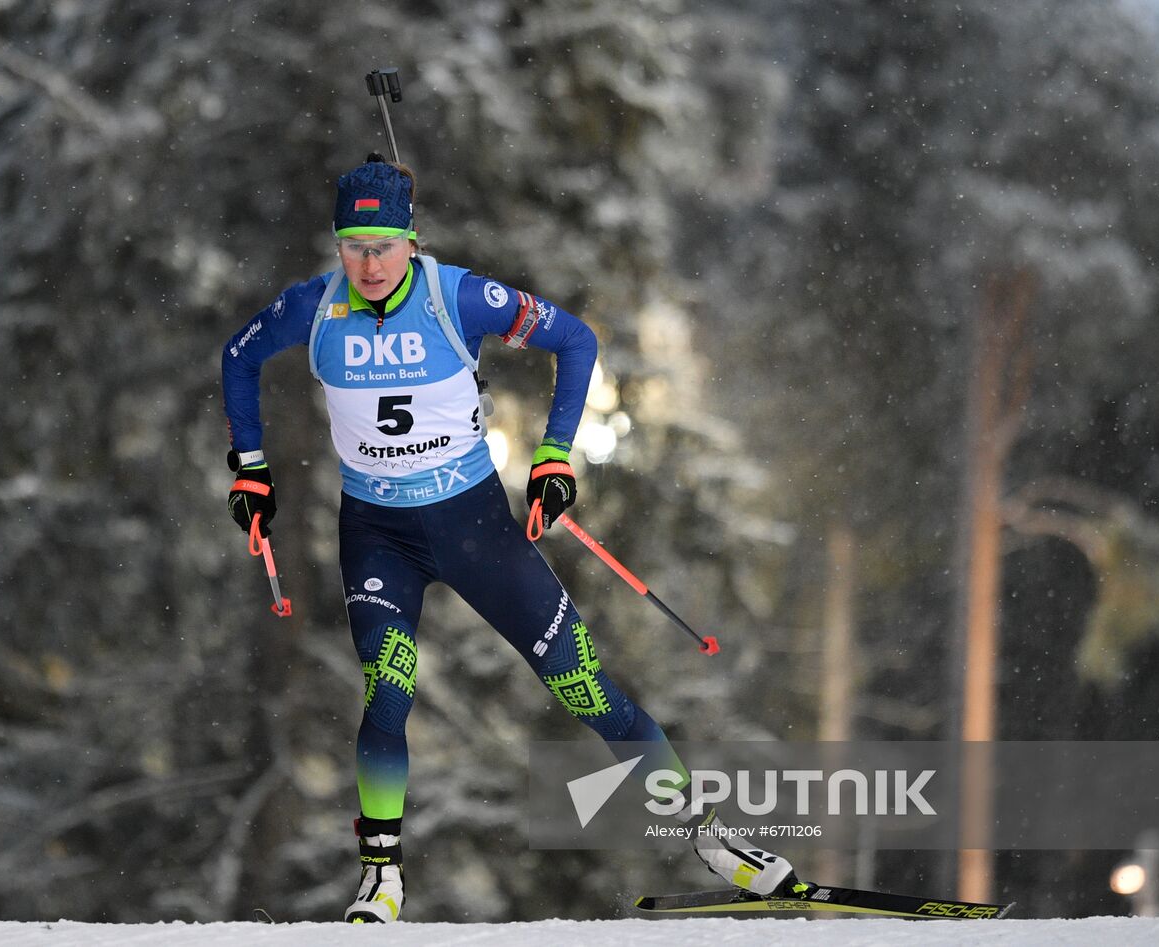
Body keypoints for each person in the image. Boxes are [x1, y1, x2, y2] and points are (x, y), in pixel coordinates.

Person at [220, 156, 803, 922]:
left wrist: (555, 453)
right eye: (354, 244)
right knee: (386, 691)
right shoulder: (312, 308)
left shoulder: (457, 295)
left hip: (475, 527)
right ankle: (381, 876)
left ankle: (712, 838)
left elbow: (577, 340)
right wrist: (251, 468)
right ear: (338, 245)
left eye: (384, 244)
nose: (368, 262)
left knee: (584, 686)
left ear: (411, 239)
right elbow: (239, 357)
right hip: (377, 533)